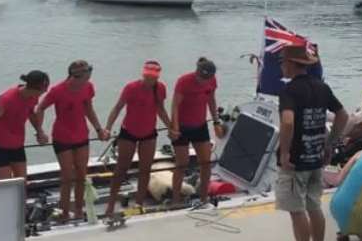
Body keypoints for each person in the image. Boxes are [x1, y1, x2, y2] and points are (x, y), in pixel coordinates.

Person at [275, 45, 348, 241]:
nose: (281, 66)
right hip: (316, 157)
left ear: (291, 64)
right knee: (314, 207)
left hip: (296, 161)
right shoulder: (321, 87)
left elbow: (287, 122)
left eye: (283, 62)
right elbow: (343, 115)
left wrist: (285, 153)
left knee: (297, 211)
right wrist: (330, 144)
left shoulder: (289, 91)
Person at [36, 60, 109, 222]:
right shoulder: (57, 90)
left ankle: (78, 209)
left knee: (81, 175)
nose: (90, 76)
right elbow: (40, 108)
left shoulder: (88, 87)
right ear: (77, 75)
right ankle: (63, 212)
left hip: (82, 135)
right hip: (62, 137)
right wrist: (40, 131)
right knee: (67, 175)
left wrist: (99, 129)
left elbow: (88, 108)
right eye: (87, 73)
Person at [104, 61, 171, 217]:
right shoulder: (131, 88)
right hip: (129, 132)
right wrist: (108, 127)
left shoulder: (160, 88)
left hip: (149, 133)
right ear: (143, 74)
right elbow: (117, 107)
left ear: (157, 77)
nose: (150, 79)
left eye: (153, 77)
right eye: (147, 76)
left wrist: (171, 126)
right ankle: (110, 204)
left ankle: (139, 203)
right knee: (121, 168)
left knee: (145, 169)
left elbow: (161, 109)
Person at [169, 57, 224, 208]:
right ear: (197, 72)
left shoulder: (212, 81)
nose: (204, 82)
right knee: (182, 163)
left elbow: (211, 101)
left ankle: (203, 197)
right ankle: (175, 200)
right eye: (201, 78)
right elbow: (174, 105)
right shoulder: (184, 81)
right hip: (181, 126)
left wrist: (216, 122)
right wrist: (174, 127)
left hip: (200, 125)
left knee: (206, 163)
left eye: (207, 79)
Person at [0, 71, 50, 179]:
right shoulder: (7, 99)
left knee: (21, 183)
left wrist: (40, 131)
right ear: (33, 88)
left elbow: (31, 113)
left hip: (17, 145)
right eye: (44, 89)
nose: (46, 91)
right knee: (7, 185)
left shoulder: (33, 97)